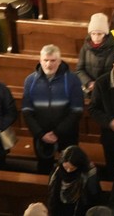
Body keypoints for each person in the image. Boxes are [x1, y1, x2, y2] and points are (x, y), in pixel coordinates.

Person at [22, 45, 84, 173]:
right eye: (45, 60)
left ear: (59, 61)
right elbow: (27, 111)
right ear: (40, 61)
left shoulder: (72, 80)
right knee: (43, 171)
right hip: (41, 136)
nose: (49, 64)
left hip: (67, 135)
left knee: (69, 171)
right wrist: (41, 134)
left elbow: (77, 111)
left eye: (53, 60)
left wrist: (57, 132)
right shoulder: (30, 81)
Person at [76, 13, 114, 95]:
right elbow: (79, 70)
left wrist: (99, 85)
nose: (96, 37)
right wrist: (89, 82)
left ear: (105, 34)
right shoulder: (85, 48)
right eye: (93, 34)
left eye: (99, 34)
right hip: (89, 90)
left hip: (108, 90)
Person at [47, 145, 101, 216]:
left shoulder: (89, 174)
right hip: (59, 208)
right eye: (66, 167)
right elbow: (52, 194)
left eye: (72, 168)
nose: (68, 171)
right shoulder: (57, 171)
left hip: (80, 209)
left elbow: (93, 198)